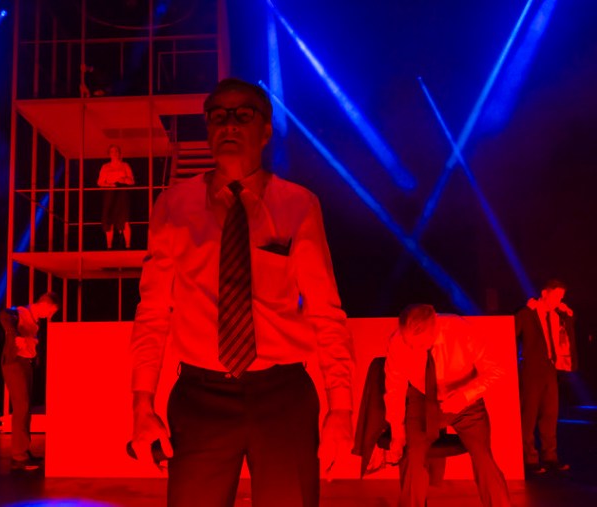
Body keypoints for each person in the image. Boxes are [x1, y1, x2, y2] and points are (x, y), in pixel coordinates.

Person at [130, 77, 354, 507]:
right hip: (200, 396)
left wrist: (340, 410)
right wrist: (142, 405)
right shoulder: (174, 206)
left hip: (284, 395)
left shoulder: (298, 205)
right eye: (218, 116)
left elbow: (326, 311)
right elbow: (153, 311)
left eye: (242, 115)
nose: (228, 124)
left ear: (265, 130)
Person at [384, 304, 511, 507]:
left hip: (466, 400)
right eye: (410, 344)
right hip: (423, 399)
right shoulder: (398, 341)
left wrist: (464, 396)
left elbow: (495, 370)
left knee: (484, 458)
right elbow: (395, 388)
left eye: (421, 343)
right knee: (413, 458)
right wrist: (396, 434)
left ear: (435, 326)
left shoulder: (461, 330)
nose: (415, 349)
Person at [515, 279, 576, 474]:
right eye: (556, 296)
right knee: (529, 416)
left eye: (561, 297)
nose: (559, 300)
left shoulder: (558, 316)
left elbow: (567, 338)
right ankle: (529, 458)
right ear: (544, 293)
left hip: (550, 369)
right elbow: (511, 334)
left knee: (550, 415)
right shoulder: (527, 313)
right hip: (531, 371)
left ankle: (550, 457)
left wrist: (567, 315)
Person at [0, 291, 60, 471]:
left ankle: (24, 451)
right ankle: (19, 456)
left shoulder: (35, 320)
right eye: (50, 311)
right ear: (44, 305)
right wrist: (15, 335)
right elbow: (5, 315)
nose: (49, 316)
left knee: (26, 408)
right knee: (22, 407)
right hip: (15, 363)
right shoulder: (20, 312)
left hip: (26, 363)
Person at [98, 144, 135, 249]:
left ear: (119, 153)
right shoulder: (105, 167)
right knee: (109, 220)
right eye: (112, 151)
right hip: (110, 192)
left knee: (125, 219)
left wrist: (123, 180)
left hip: (122, 193)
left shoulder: (125, 165)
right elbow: (100, 182)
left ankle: (128, 246)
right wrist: (109, 185)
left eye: (116, 151)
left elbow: (132, 181)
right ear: (109, 154)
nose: (114, 153)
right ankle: (109, 246)